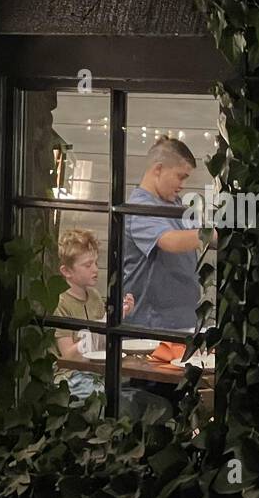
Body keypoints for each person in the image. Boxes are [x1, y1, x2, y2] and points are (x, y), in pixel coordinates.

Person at [122, 137, 202, 332]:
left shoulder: (175, 204)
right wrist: (215, 234)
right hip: (151, 327)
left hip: (183, 321)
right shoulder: (139, 208)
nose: (183, 184)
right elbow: (170, 241)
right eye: (180, 176)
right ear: (158, 169)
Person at [52, 228, 135, 402]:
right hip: (71, 378)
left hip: (97, 372)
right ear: (66, 271)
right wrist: (98, 333)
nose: (95, 269)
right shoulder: (60, 303)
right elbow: (68, 355)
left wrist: (119, 316)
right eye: (87, 265)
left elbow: (104, 339)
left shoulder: (95, 296)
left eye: (96, 263)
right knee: (119, 402)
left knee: (138, 396)